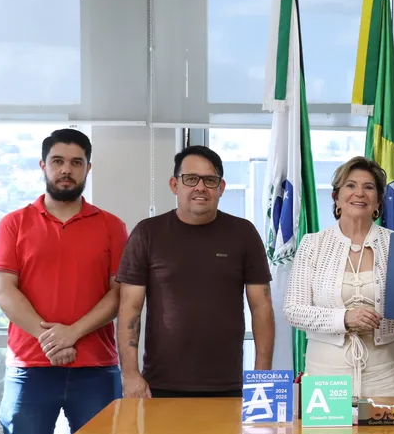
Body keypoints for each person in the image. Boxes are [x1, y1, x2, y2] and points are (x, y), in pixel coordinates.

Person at [0, 129, 127, 434]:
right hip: (29, 368)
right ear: (43, 166)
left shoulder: (111, 226)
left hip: (96, 368)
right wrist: (49, 339)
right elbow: (4, 291)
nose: (67, 169)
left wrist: (72, 333)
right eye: (58, 161)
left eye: (77, 162)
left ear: (88, 168)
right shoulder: (14, 223)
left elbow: (119, 293)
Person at [116, 146, 276, 398]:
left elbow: (262, 307)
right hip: (160, 384)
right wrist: (130, 374)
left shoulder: (243, 234)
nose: (200, 187)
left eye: (210, 180)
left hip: (229, 385)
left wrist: (263, 376)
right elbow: (129, 308)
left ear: (221, 188)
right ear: (174, 185)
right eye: (191, 179)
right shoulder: (147, 233)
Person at [284, 156, 394, 398]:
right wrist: (345, 318)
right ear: (336, 198)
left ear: (378, 201)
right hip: (325, 375)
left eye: (368, 187)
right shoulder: (313, 244)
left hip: (388, 375)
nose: (359, 193)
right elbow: (293, 310)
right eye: (350, 185)